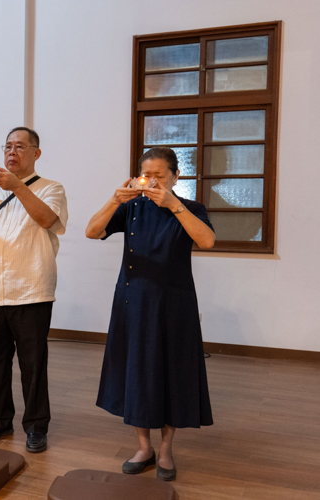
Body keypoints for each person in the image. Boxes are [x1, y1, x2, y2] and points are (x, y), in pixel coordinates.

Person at [85, 146, 215, 481]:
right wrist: (115, 200)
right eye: (148, 176)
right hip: (132, 302)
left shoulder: (191, 208)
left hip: (175, 305)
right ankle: (144, 447)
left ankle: (167, 450)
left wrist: (174, 206)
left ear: (175, 176)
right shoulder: (131, 208)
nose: (153, 182)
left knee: (172, 373)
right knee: (137, 373)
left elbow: (206, 241)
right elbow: (91, 230)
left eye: (160, 176)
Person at [0, 127, 68, 453]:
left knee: (33, 364)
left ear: (36, 153)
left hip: (32, 289)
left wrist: (17, 186)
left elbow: (47, 219)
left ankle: (36, 426)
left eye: (20, 147)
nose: (11, 152)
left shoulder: (51, 188)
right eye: (7, 146)